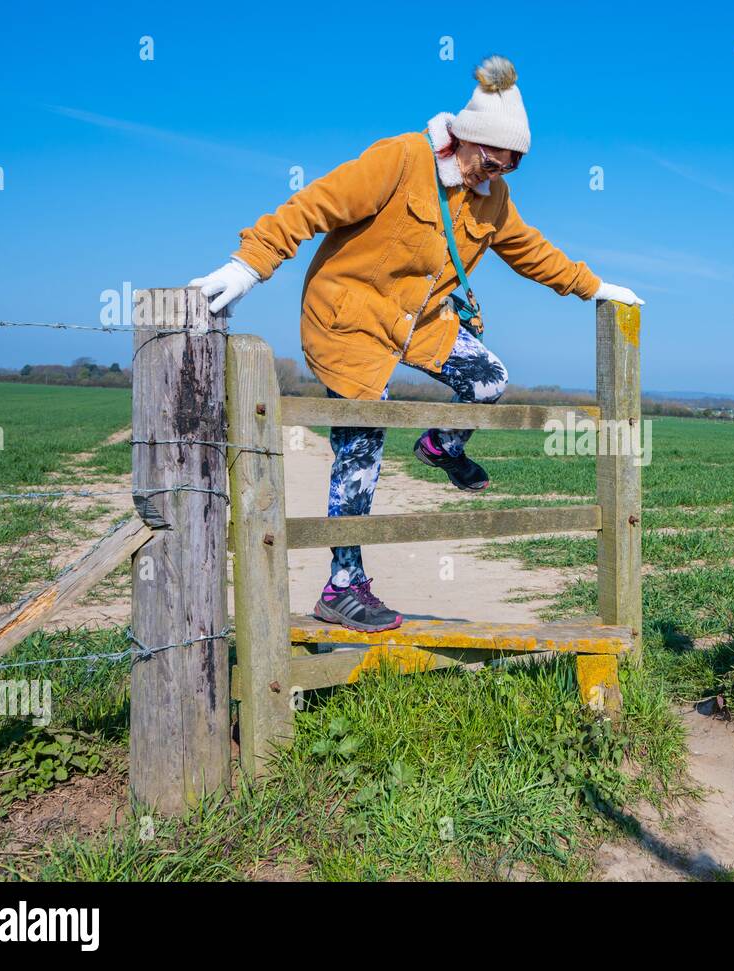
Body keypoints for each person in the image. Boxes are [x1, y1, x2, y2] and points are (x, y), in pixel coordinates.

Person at [189, 55, 644, 633]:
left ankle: (440, 447)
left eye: (511, 167)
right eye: (490, 161)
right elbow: (313, 206)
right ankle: (343, 586)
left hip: (420, 320)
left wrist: (596, 287)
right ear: (465, 139)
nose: (495, 174)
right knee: (360, 449)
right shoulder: (400, 159)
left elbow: (532, 251)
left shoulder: (493, 198)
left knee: (489, 380)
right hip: (348, 319)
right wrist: (249, 264)